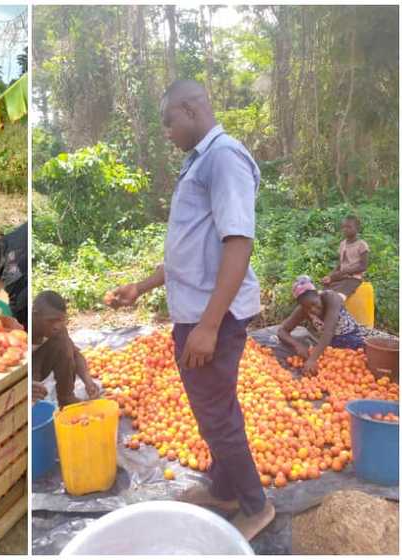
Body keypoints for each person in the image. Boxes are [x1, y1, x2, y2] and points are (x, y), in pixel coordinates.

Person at [106, 79, 273, 539]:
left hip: (210, 318)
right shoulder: (200, 161)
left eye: (168, 122)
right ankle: (223, 489)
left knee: (217, 414)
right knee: (212, 410)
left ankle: (256, 506)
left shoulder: (224, 158)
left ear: (189, 109)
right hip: (197, 313)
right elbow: (192, 247)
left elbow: (238, 243)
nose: (166, 132)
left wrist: (209, 326)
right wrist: (140, 286)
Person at [278, 276, 366, 374]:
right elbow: (282, 331)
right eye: (307, 308)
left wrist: (312, 359)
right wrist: (297, 345)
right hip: (330, 348)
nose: (313, 310)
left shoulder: (331, 298)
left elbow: (328, 331)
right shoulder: (302, 310)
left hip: (354, 336)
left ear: (318, 295)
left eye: (314, 304)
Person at [32, 291, 101, 408]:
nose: (57, 326)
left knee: (64, 344)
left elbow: (75, 355)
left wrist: (88, 381)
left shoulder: (58, 330)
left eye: (60, 320)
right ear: (35, 314)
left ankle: (66, 397)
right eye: (51, 320)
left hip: (42, 365)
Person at [321, 215, 369, 297]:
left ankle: (338, 306)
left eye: (349, 227)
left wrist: (345, 272)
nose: (345, 229)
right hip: (341, 276)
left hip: (354, 278)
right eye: (343, 227)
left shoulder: (362, 245)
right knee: (325, 290)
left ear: (357, 229)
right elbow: (339, 264)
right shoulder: (342, 244)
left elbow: (363, 266)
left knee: (338, 296)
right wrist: (330, 276)